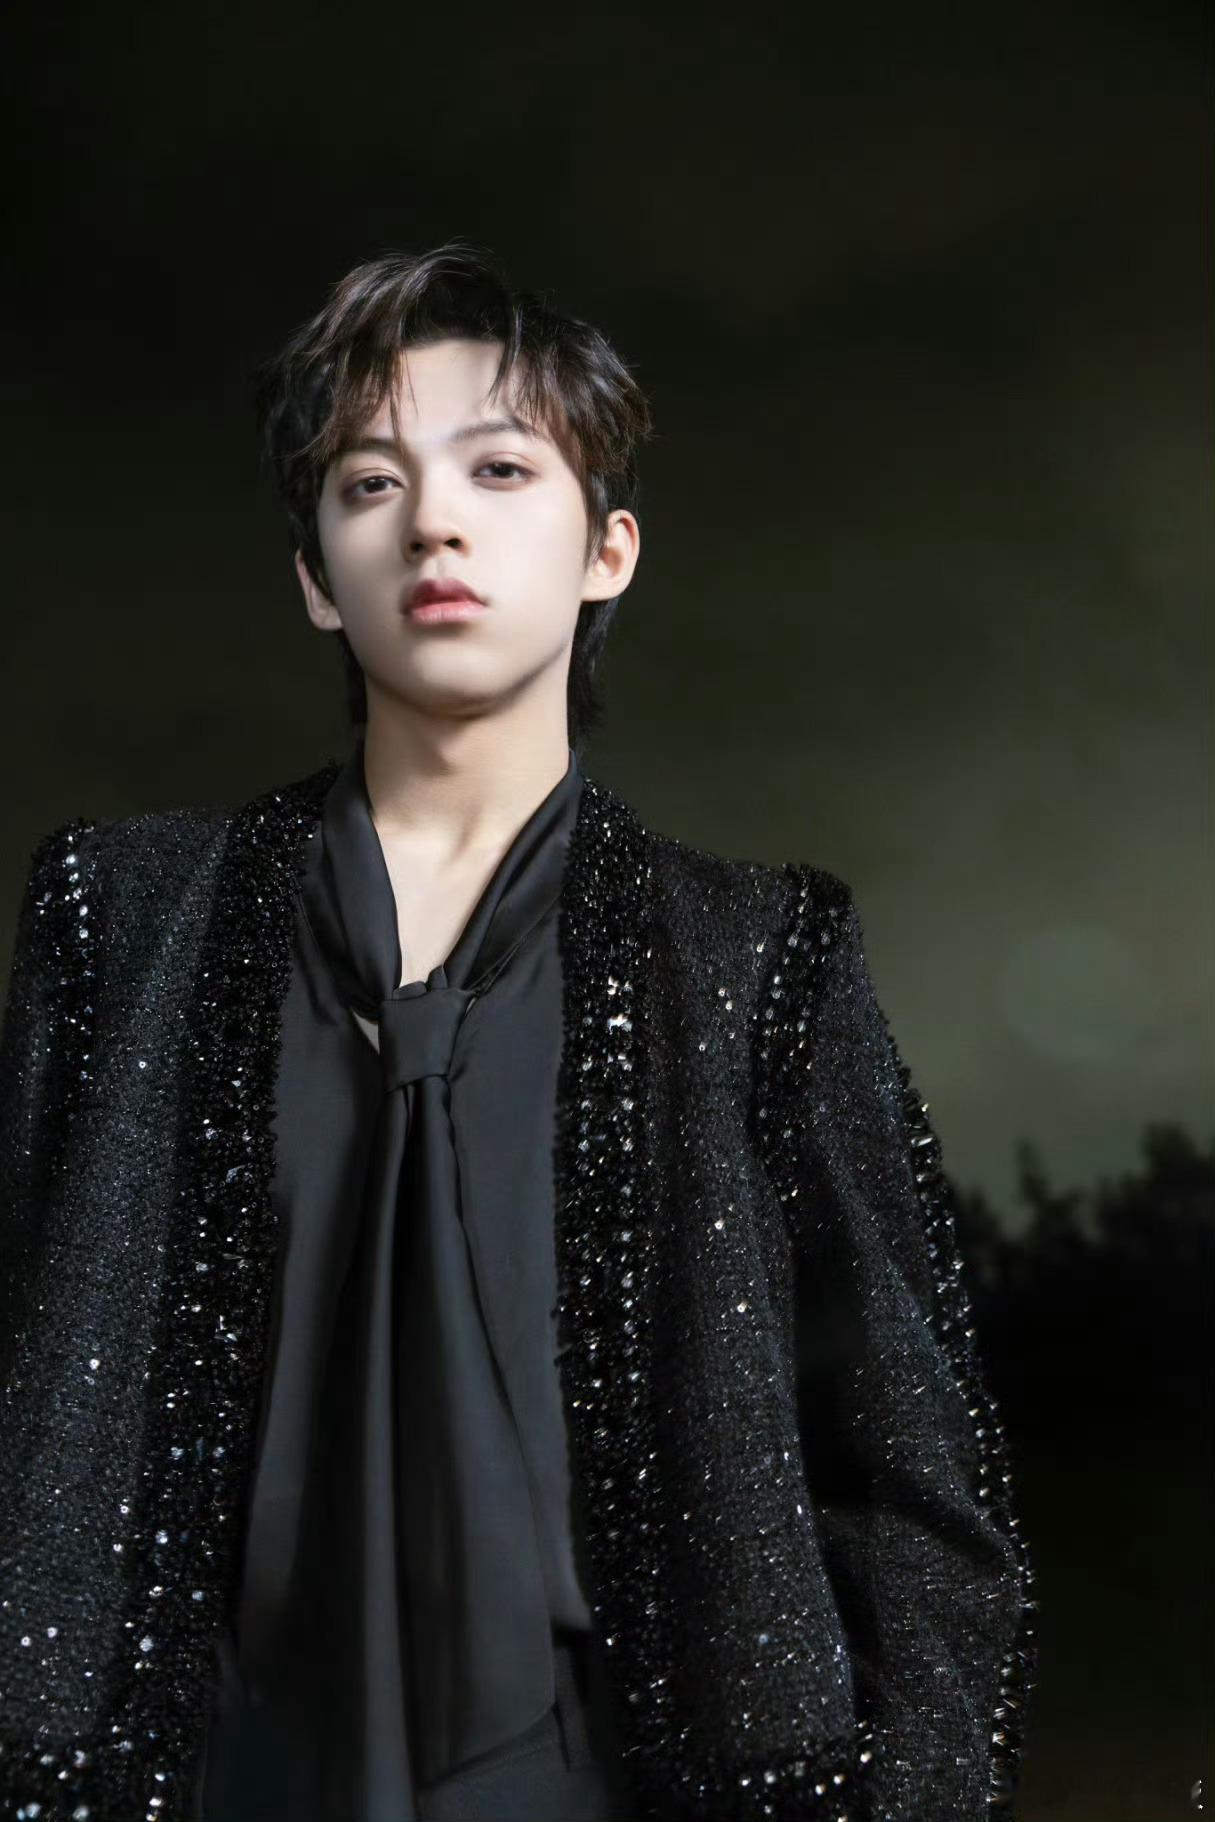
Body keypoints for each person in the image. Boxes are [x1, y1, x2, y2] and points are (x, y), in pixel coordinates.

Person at [0, 239, 1037, 1821]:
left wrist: (904, 1787)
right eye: (369, 483)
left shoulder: (757, 958)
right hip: (204, 1775)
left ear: (609, 549)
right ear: (314, 574)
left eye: (499, 467)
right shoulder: (121, 920)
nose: (433, 520)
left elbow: (921, 1482)